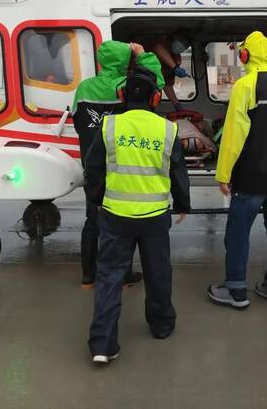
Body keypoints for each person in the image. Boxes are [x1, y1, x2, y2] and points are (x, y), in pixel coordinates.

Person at [84, 66, 191, 364]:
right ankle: (161, 325)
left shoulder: (109, 127)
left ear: (121, 95)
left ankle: (102, 345)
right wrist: (182, 204)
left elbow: (93, 170)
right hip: (155, 217)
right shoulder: (168, 129)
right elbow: (178, 173)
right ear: (157, 98)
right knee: (158, 273)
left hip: (115, 216)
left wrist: (96, 200)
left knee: (109, 277)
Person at [207, 31, 267, 309]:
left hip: (252, 176)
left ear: (244, 56)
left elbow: (233, 136)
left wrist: (223, 174)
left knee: (238, 233)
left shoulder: (245, 86)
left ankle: (235, 290)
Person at [72, 40, 164, 288]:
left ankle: (88, 276)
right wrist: (143, 54)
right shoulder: (128, 86)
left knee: (93, 219)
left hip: (93, 165)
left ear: (101, 61)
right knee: (121, 226)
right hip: (119, 167)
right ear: (126, 63)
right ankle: (122, 275)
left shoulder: (84, 88)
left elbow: (77, 121)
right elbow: (157, 83)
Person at [146, 31, 191, 111]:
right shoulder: (160, 43)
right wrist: (174, 67)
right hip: (140, 86)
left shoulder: (175, 59)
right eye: (181, 41)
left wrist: (176, 104)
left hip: (152, 96)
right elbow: (157, 47)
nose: (182, 46)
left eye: (185, 45)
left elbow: (167, 84)